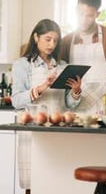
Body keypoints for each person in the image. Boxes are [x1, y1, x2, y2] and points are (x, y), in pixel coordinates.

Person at [11, 18, 82, 193]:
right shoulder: (22, 65)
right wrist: (41, 88)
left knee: (56, 180)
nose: (52, 44)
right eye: (47, 39)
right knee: (32, 182)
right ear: (36, 37)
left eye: (55, 40)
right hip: (32, 129)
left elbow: (69, 104)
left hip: (58, 130)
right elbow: (16, 100)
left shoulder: (62, 66)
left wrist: (76, 91)